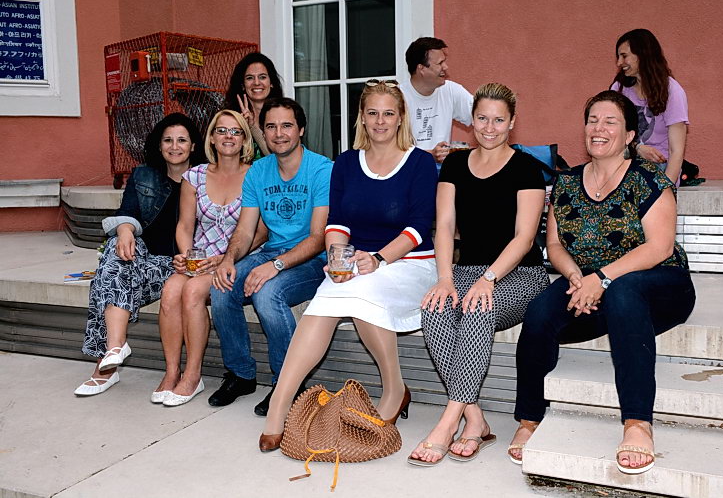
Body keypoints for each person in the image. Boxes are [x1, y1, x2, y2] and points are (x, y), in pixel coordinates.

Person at [510, 90, 696, 474]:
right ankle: (529, 418)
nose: (599, 128)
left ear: (629, 135)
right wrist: (576, 277)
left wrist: (603, 278)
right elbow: (554, 245)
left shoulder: (649, 180)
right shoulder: (567, 183)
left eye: (610, 122)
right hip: (591, 285)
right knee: (541, 309)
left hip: (659, 284)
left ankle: (638, 423)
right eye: (593, 120)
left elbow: (659, 247)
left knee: (623, 293)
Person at [258, 79, 438, 452]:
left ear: (400, 117)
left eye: (388, 113)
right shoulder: (346, 162)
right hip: (356, 261)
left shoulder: (420, 162)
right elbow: (337, 222)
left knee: (362, 290)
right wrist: (337, 258)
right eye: (373, 113)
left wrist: (378, 258)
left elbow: (420, 226)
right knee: (324, 301)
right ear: (362, 117)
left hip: (409, 262)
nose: (380, 121)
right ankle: (280, 404)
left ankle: (394, 390)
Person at [408, 83, 550, 466]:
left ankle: (448, 421)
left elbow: (524, 237)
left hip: (520, 274)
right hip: (466, 269)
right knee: (434, 309)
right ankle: (475, 419)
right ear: (471, 120)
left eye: (498, 120)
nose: (489, 128)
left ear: (512, 122)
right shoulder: (454, 165)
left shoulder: (527, 169)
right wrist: (444, 278)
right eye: (482, 118)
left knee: (476, 310)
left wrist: (488, 279)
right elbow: (444, 225)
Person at [209, 98, 332, 414]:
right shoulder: (258, 172)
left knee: (267, 294)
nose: (279, 133)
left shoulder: (321, 169)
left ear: (301, 130)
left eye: (287, 125)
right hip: (272, 251)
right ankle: (241, 374)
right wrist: (227, 260)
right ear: (263, 132)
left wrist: (275, 266)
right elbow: (245, 229)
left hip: (313, 260)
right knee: (222, 287)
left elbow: (319, 237)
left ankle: (288, 385)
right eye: (271, 127)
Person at [74, 113, 204, 396]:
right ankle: (115, 346)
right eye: (168, 140)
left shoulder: (205, 179)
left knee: (107, 277)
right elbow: (128, 212)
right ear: (159, 145)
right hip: (141, 258)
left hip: (178, 264)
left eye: (182, 140)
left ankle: (106, 367)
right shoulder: (144, 175)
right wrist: (124, 230)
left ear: (193, 145)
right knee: (116, 256)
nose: (174, 146)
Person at [152, 109, 262, 406]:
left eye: (236, 131)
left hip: (236, 258)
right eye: (221, 130)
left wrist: (223, 258)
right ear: (212, 138)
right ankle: (172, 371)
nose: (228, 137)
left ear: (245, 139)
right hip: (199, 257)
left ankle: (193, 374)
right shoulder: (195, 176)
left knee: (191, 292)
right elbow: (185, 226)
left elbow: (261, 233)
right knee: (170, 291)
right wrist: (186, 255)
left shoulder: (256, 175)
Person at [611, 29, 688, 185]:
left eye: (624, 56)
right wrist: (637, 148)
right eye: (618, 57)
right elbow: (611, 137)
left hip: (659, 168)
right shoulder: (619, 88)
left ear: (642, 55)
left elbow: (676, 151)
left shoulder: (672, 91)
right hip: (625, 163)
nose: (619, 63)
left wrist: (666, 189)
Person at [399, 37, 473, 164]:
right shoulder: (396, 98)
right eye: (440, 63)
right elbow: (388, 150)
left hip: (443, 170)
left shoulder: (450, 90)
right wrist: (429, 156)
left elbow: (482, 115)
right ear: (421, 68)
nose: (445, 67)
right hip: (408, 170)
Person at [225, 52, 284, 158]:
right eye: (250, 78)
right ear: (243, 85)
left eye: (262, 77)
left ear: (271, 83)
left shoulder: (284, 115)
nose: (256, 83)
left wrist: (252, 127)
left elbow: (279, 159)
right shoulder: (230, 117)